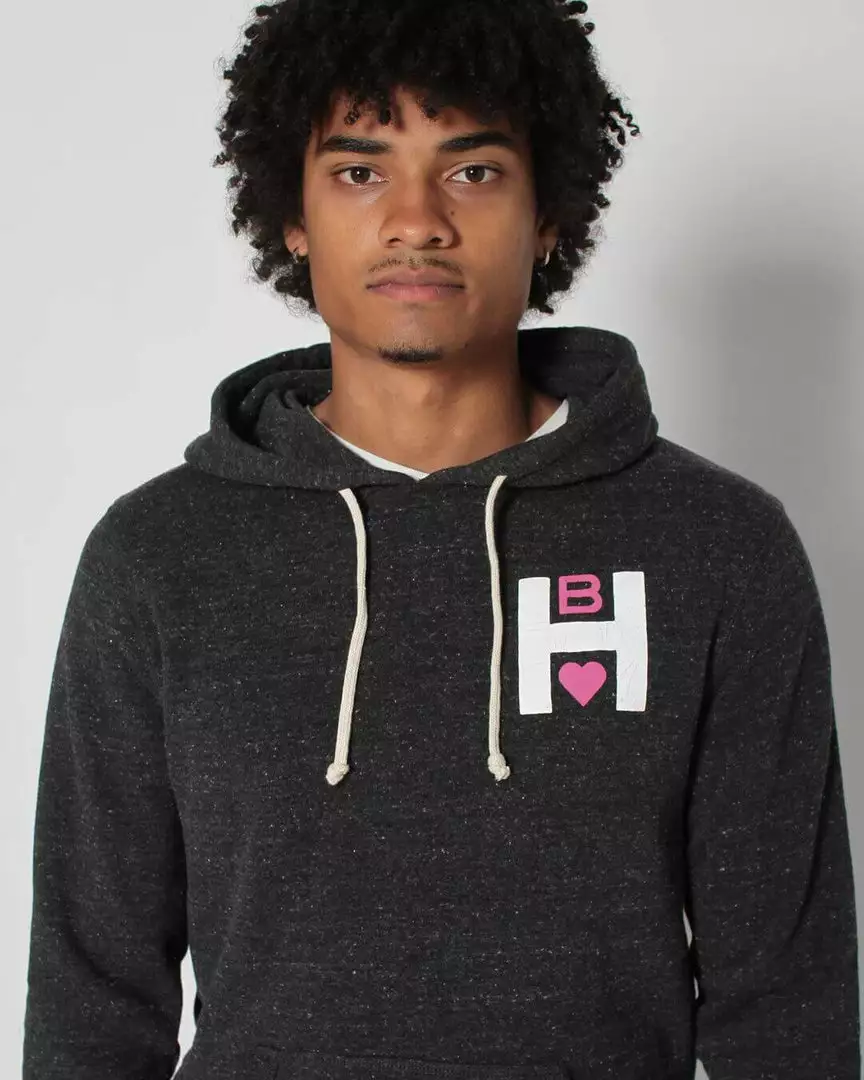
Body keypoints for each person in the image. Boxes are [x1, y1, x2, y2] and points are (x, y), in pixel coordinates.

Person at [22, 0, 859, 1077]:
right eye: (359, 172)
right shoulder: (156, 557)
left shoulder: (719, 546)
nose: (416, 221)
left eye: (472, 170)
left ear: (547, 214)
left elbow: (786, 1005)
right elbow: (92, 1006)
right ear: (292, 215)